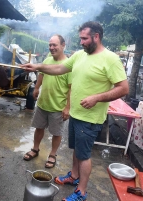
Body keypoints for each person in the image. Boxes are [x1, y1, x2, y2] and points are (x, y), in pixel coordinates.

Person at [21, 21, 129, 201]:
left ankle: (82, 192)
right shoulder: (80, 55)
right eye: (80, 38)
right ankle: (73, 175)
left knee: (84, 155)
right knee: (77, 151)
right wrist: (38, 67)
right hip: (76, 114)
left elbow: (123, 88)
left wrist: (96, 97)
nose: (81, 42)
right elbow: (59, 68)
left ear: (96, 37)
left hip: (91, 117)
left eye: (85, 38)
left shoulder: (111, 59)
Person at [23, 34, 72, 169]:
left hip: (57, 106)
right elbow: (42, 74)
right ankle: (35, 149)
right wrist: (37, 88)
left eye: (54, 45)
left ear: (63, 45)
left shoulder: (68, 65)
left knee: (57, 133)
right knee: (39, 128)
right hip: (43, 103)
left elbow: (71, 88)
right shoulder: (48, 58)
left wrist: (67, 107)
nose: (51, 47)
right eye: (50, 45)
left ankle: (52, 154)